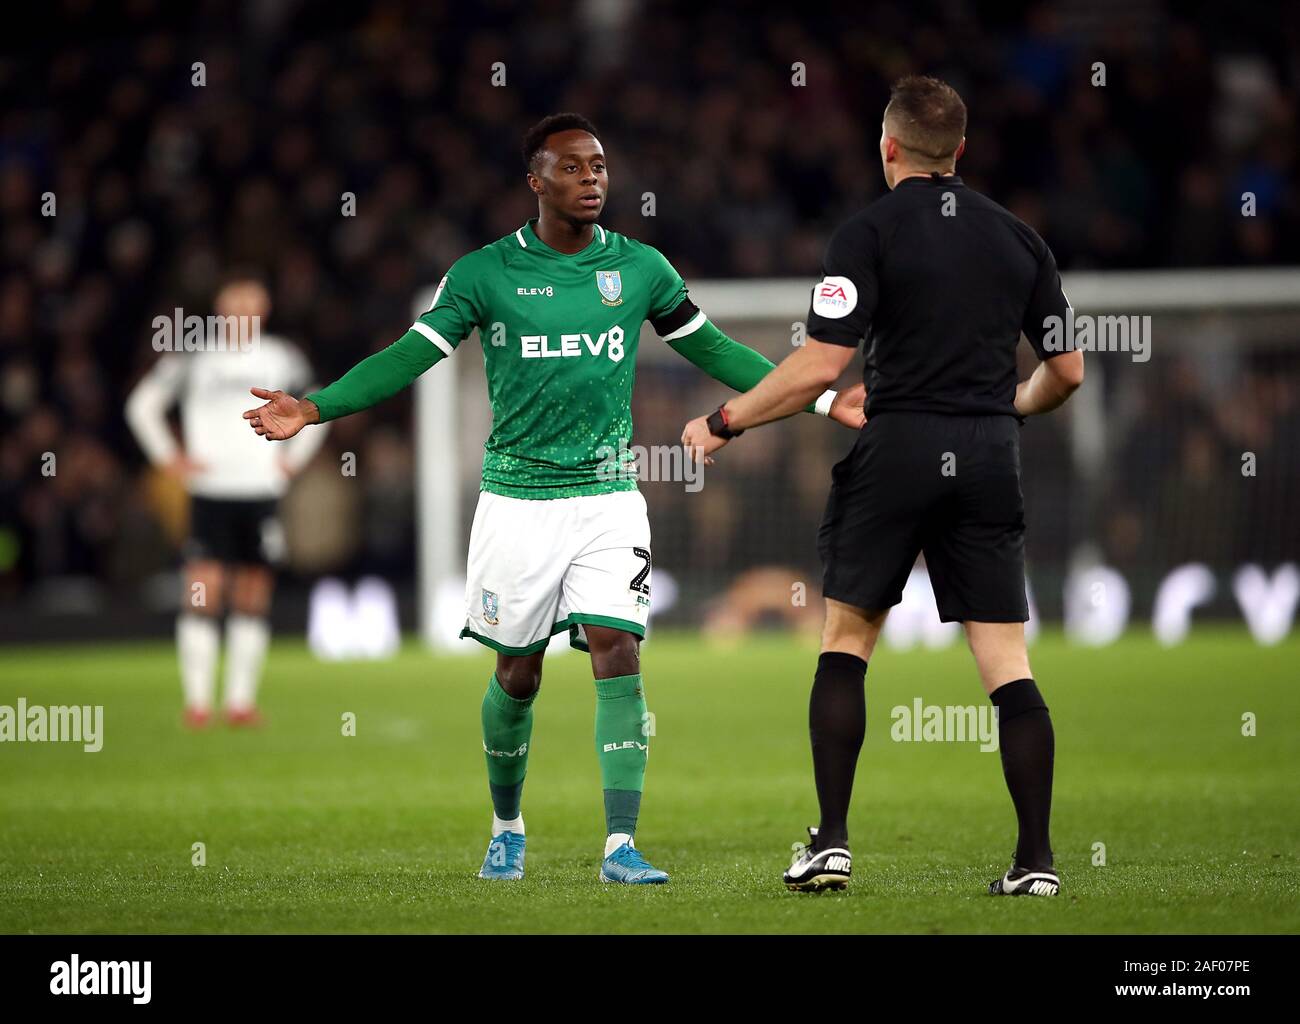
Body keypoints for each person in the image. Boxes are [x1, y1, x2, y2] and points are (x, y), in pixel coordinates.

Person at [241, 113, 865, 885]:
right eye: (572, 168)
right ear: (536, 182)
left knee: (618, 647)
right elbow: (410, 356)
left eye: (599, 166)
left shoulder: (640, 269)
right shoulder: (483, 273)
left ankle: (621, 845)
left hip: (607, 494)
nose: (592, 179)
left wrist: (817, 399)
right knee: (518, 674)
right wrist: (316, 406)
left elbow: (713, 349)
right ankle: (507, 826)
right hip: (516, 501)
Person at [682, 76, 1084, 896]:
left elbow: (820, 367)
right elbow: (1068, 373)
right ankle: (1036, 863)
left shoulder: (865, 233)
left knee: (847, 641)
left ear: (888, 147)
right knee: (1007, 663)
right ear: (960, 150)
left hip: (896, 443)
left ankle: (830, 842)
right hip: (986, 452)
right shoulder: (1019, 240)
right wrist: (1009, 405)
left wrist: (724, 421)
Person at [126, 272, 328, 728]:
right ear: (221, 309)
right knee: (203, 590)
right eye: (235, 304)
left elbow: (321, 403)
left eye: (251, 304)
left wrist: (293, 460)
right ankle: (198, 703)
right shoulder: (195, 356)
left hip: (260, 491)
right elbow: (141, 405)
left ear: (264, 310)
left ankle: (240, 702)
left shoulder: (281, 356)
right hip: (211, 492)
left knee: (253, 594)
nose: (242, 312)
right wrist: (169, 458)